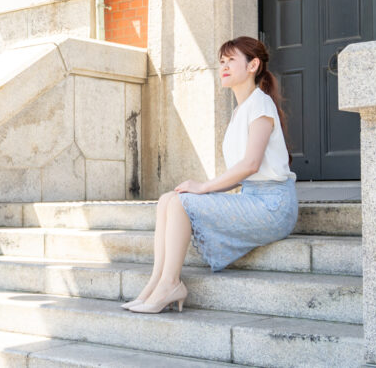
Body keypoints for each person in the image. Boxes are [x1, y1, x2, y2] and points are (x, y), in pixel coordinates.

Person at [124, 36, 297, 314]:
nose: (224, 67)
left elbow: (251, 164)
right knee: (169, 199)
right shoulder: (241, 110)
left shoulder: (260, 105)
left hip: (273, 206)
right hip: (252, 199)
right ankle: (155, 282)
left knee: (183, 200)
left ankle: (170, 283)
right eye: (221, 62)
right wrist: (203, 189)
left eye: (231, 60)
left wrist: (204, 187)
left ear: (253, 65)